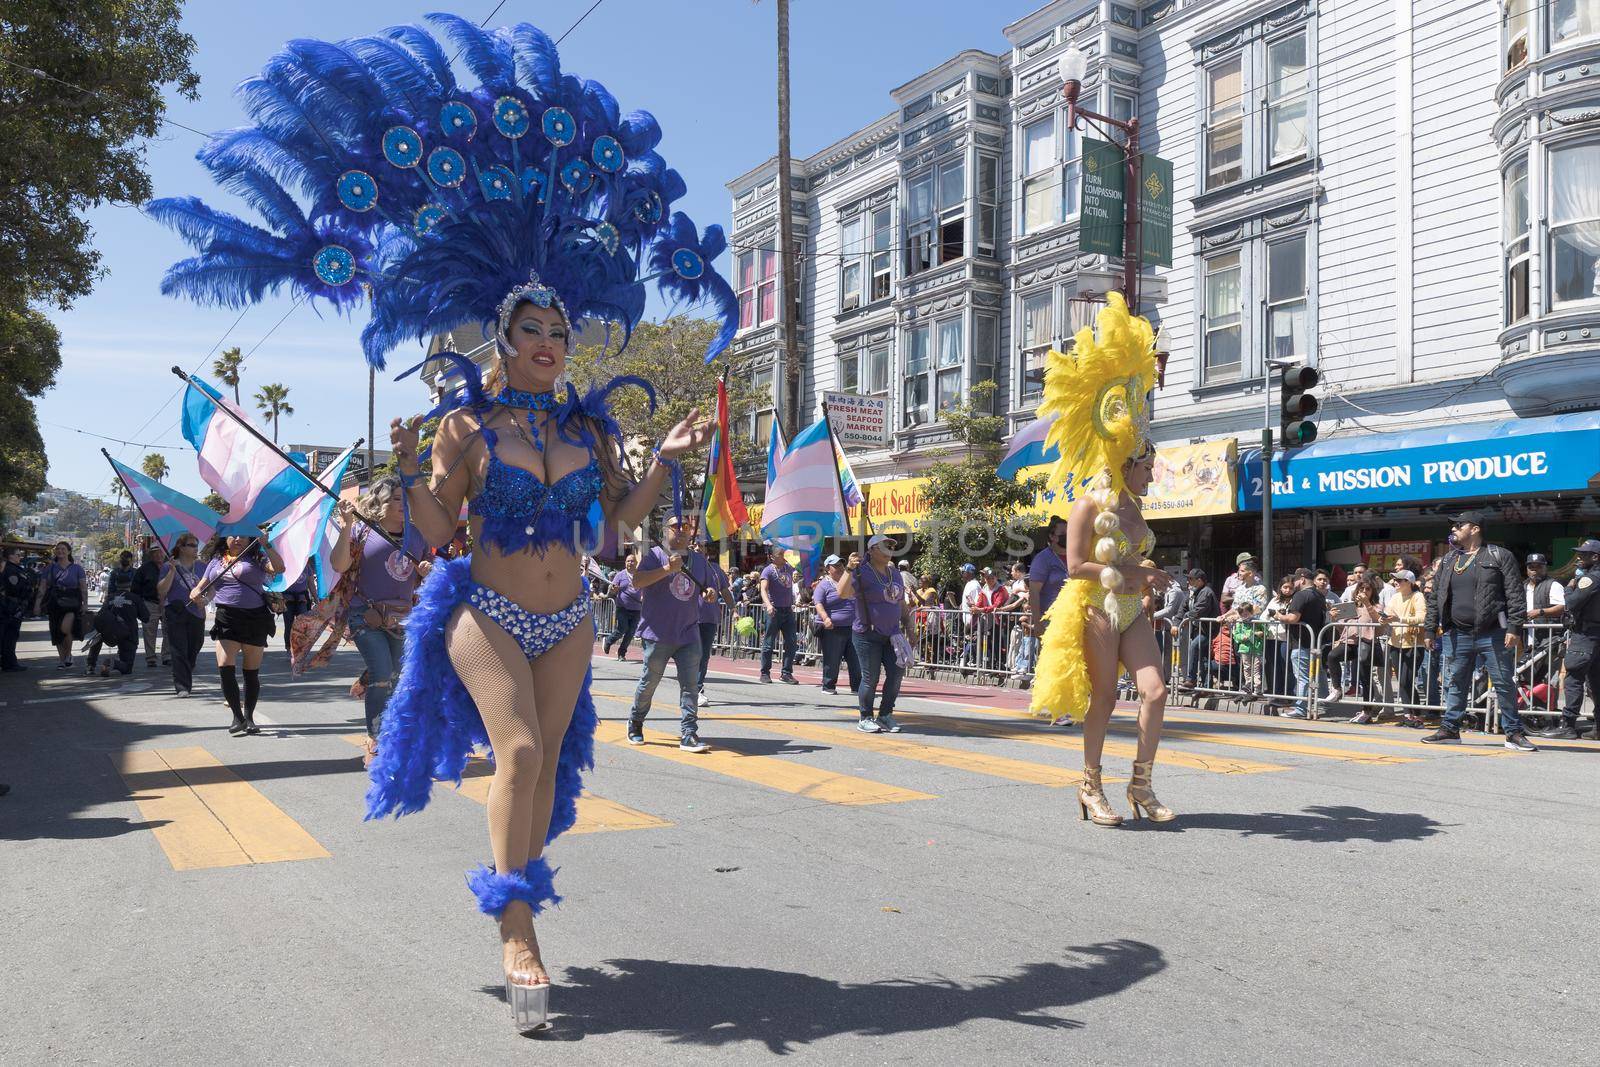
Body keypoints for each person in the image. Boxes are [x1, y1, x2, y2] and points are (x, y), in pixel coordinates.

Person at [157, 16, 733, 1033]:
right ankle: (517, 930)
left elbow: (613, 535)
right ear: (499, 336)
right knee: (515, 754)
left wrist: (671, 463)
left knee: (548, 767)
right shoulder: (465, 423)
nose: (553, 343)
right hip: (487, 608)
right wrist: (385, 495)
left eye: (561, 330)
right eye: (534, 331)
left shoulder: (588, 427)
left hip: (570, 621)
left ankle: (521, 882)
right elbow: (429, 525)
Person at [1029, 294, 1174, 826]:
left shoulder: (1135, 506)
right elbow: (1072, 567)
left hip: (1133, 606)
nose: (1152, 473)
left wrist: (1146, 579)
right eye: (1148, 465)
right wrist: (1135, 572)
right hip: (1095, 604)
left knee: (1155, 691)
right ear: (1130, 462)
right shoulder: (1089, 503)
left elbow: (1135, 566)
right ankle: (1090, 785)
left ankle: (1142, 782)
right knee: (1106, 699)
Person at [329, 479, 430, 765]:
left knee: (395, 679)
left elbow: (426, 580)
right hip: (365, 615)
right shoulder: (362, 530)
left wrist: (426, 571)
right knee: (385, 674)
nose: (404, 505)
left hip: (402, 619)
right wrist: (347, 525)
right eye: (398, 499)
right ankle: (375, 740)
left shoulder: (417, 537)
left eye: (406, 500)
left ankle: (369, 677)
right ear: (380, 502)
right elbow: (339, 565)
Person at [1421, 512, 1535, 750]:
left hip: (1492, 632)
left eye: (1458, 525)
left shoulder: (1499, 556)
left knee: (1504, 682)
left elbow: (1515, 594)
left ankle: (1513, 733)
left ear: (1474, 529)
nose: (1454, 529)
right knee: (1455, 682)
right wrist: (1430, 630)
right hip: (1456, 634)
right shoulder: (1449, 560)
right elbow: (1435, 599)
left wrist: (1514, 627)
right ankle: (1450, 729)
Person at [626, 513, 713, 751]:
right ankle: (636, 721)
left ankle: (689, 733)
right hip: (658, 633)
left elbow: (707, 587)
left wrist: (709, 593)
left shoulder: (698, 560)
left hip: (688, 632)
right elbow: (638, 582)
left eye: (686, 526)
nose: (682, 530)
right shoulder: (654, 555)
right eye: (676, 526)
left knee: (690, 685)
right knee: (649, 682)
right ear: (665, 530)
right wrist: (667, 568)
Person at [191, 535, 283, 735]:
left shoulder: (257, 558)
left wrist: (265, 544)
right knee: (225, 666)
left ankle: (249, 717)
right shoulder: (216, 561)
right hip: (226, 617)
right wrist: (195, 592)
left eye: (244, 535)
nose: (239, 539)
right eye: (234, 535)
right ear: (225, 538)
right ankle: (236, 716)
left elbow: (279, 569)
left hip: (255, 618)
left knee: (251, 672)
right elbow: (202, 585)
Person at [837, 534, 916, 733]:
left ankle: (885, 715)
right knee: (870, 677)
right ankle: (865, 717)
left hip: (893, 635)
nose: (890, 548)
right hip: (866, 634)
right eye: (884, 545)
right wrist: (848, 569)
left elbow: (901, 602)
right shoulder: (861, 572)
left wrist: (909, 627)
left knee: (897, 673)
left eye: (892, 545)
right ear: (871, 551)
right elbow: (842, 593)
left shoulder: (895, 573)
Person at [1543, 539, 1600, 739]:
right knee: (1595, 683)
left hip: (1585, 635)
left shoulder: (1591, 578)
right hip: (1594, 635)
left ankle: (1567, 726)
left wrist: (1570, 587)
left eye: (1583, 555)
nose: (1579, 558)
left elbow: (1571, 603)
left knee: (1573, 679)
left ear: (1595, 557)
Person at [1273, 568, 1329, 719]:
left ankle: (1301, 709)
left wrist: (1279, 616)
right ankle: (1324, 702)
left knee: (1303, 677)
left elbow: (1292, 618)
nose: (1294, 584)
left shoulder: (1301, 595)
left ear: (1302, 579)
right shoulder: (1319, 595)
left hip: (1301, 643)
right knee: (1319, 673)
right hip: (1315, 641)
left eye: (1296, 580)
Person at [1324, 573, 1382, 711]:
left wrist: (1367, 603)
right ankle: (1337, 689)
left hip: (1366, 643)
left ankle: (1366, 710)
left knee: (1365, 676)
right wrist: (1333, 618)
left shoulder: (1376, 605)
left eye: (1367, 589)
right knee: (1332, 656)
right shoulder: (1351, 606)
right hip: (1349, 642)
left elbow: (1378, 619)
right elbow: (1341, 627)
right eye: (1361, 589)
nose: (1364, 592)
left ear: (1372, 591)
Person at [1379, 569, 1429, 727]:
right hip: (1395, 643)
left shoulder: (1418, 596)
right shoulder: (1394, 597)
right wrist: (1383, 618)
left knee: (1405, 680)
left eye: (1399, 580)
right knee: (1403, 681)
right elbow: (1387, 615)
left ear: (1409, 582)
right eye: (1395, 580)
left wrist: (1400, 619)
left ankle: (1412, 714)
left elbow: (1423, 617)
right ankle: (1412, 714)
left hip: (1414, 643)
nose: (1396, 583)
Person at [157, 533, 205, 697]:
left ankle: (186, 670)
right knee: (179, 649)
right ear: (181, 547)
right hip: (175, 611)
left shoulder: (202, 567)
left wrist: (205, 601)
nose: (195, 548)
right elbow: (162, 590)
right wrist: (171, 570)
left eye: (196, 545)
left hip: (196, 612)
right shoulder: (168, 566)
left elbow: (211, 588)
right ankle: (182, 686)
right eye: (191, 545)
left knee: (195, 646)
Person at [86, 550, 142, 678]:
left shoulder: (134, 573)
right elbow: (110, 590)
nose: (125, 560)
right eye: (123, 557)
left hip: (121, 608)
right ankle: (91, 664)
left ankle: (100, 663)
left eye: (127, 558)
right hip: (120, 613)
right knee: (100, 633)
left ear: (131, 559)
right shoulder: (115, 572)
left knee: (101, 633)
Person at [688, 525, 726, 707]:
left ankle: (696, 689)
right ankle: (690, 688)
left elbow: (726, 592)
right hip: (689, 618)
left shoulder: (716, 569)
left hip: (709, 619)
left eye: (701, 546)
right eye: (695, 545)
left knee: (703, 656)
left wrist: (733, 610)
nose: (697, 548)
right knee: (690, 655)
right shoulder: (685, 567)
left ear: (706, 551)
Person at [813, 553, 861, 696]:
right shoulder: (823, 585)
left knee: (856, 659)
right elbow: (818, 603)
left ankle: (857, 687)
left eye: (841, 564)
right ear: (828, 568)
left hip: (852, 627)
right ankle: (828, 685)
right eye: (836, 565)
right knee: (832, 659)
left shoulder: (850, 581)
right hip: (832, 628)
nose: (839, 568)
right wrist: (826, 618)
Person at [1522, 552, 1564, 692]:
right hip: (1529, 642)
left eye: (1539, 566)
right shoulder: (1523, 586)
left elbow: (1562, 608)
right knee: (1528, 680)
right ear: (1527, 569)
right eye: (1531, 567)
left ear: (1545, 567)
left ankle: (1549, 713)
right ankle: (1533, 711)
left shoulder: (1553, 585)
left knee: (1549, 681)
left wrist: (1540, 612)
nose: (1535, 570)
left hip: (1550, 641)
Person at [42, 541, 86, 670]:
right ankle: (62, 659)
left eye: (63, 549)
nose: (60, 551)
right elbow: (42, 587)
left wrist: (85, 604)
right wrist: (37, 604)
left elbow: (83, 588)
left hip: (72, 603)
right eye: (58, 549)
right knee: (56, 631)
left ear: (69, 551)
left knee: (65, 629)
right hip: (54, 603)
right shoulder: (49, 568)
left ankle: (68, 656)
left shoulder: (77, 568)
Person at [759, 549, 798, 684]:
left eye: (784, 554)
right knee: (769, 643)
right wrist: (768, 605)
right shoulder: (768, 571)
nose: (783, 557)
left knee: (792, 642)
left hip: (788, 610)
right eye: (780, 554)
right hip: (774, 611)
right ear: (772, 557)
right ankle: (765, 672)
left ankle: (786, 673)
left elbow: (801, 568)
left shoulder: (789, 568)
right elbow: (763, 589)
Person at [1178, 569, 1219, 689]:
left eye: (1191, 579)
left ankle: (1191, 679)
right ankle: (1207, 687)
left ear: (1199, 581)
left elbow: (1198, 610)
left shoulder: (1206, 592)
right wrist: (1177, 622)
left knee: (1194, 646)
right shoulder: (1193, 593)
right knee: (1204, 657)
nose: (1188, 581)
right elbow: (1183, 609)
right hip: (1198, 630)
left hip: (1207, 630)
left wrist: (1186, 618)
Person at [131, 543, 167, 667]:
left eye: (160, 552)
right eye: (155, 553)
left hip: (167, 603)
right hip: (150, 603)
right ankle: (151, 657)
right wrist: (140, 605)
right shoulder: (144, 569)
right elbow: (135, 589)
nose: (158, 555)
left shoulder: (170, 567)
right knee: (149, 631)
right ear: (151, 555)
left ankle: (166, 656)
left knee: (169, 630)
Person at [601, 554, 643, 660]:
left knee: (631, 632)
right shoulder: (620, 575)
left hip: (637, 608)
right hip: (622, 607)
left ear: (636, 563)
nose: (630, 563)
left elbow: (645, 589)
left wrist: (643, 596)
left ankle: (621, 653)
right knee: (622, 629)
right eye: (628, 561)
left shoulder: (641, 574)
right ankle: (608, 641)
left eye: (632, 561)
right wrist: (614, 590)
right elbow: (612, 590)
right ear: (625, 563)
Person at [1, 541, 36, 671]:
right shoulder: (10, 569)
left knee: (10, 635)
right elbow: (16, 587)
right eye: (17, 554)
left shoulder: (12, 568)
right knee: (10, 636)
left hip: (13, 606)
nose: (19, 557)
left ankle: (9, 662)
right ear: (11, 556)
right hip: (10, 607)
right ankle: (9, 663)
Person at [1231, 601, 1264, 696]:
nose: (1245, 616)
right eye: (1242, 614)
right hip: (1244, 648)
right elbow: (1236, 636)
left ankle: (1257, 687)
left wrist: (1261, 633)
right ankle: (1248, 685)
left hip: (1257, 648)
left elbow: (1264, 631)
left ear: (1251, 612)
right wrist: (1243, 637)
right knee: (1247, 668)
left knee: (1256, 668)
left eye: (1247, 614)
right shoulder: (1239, 623)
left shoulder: (1257, 621)